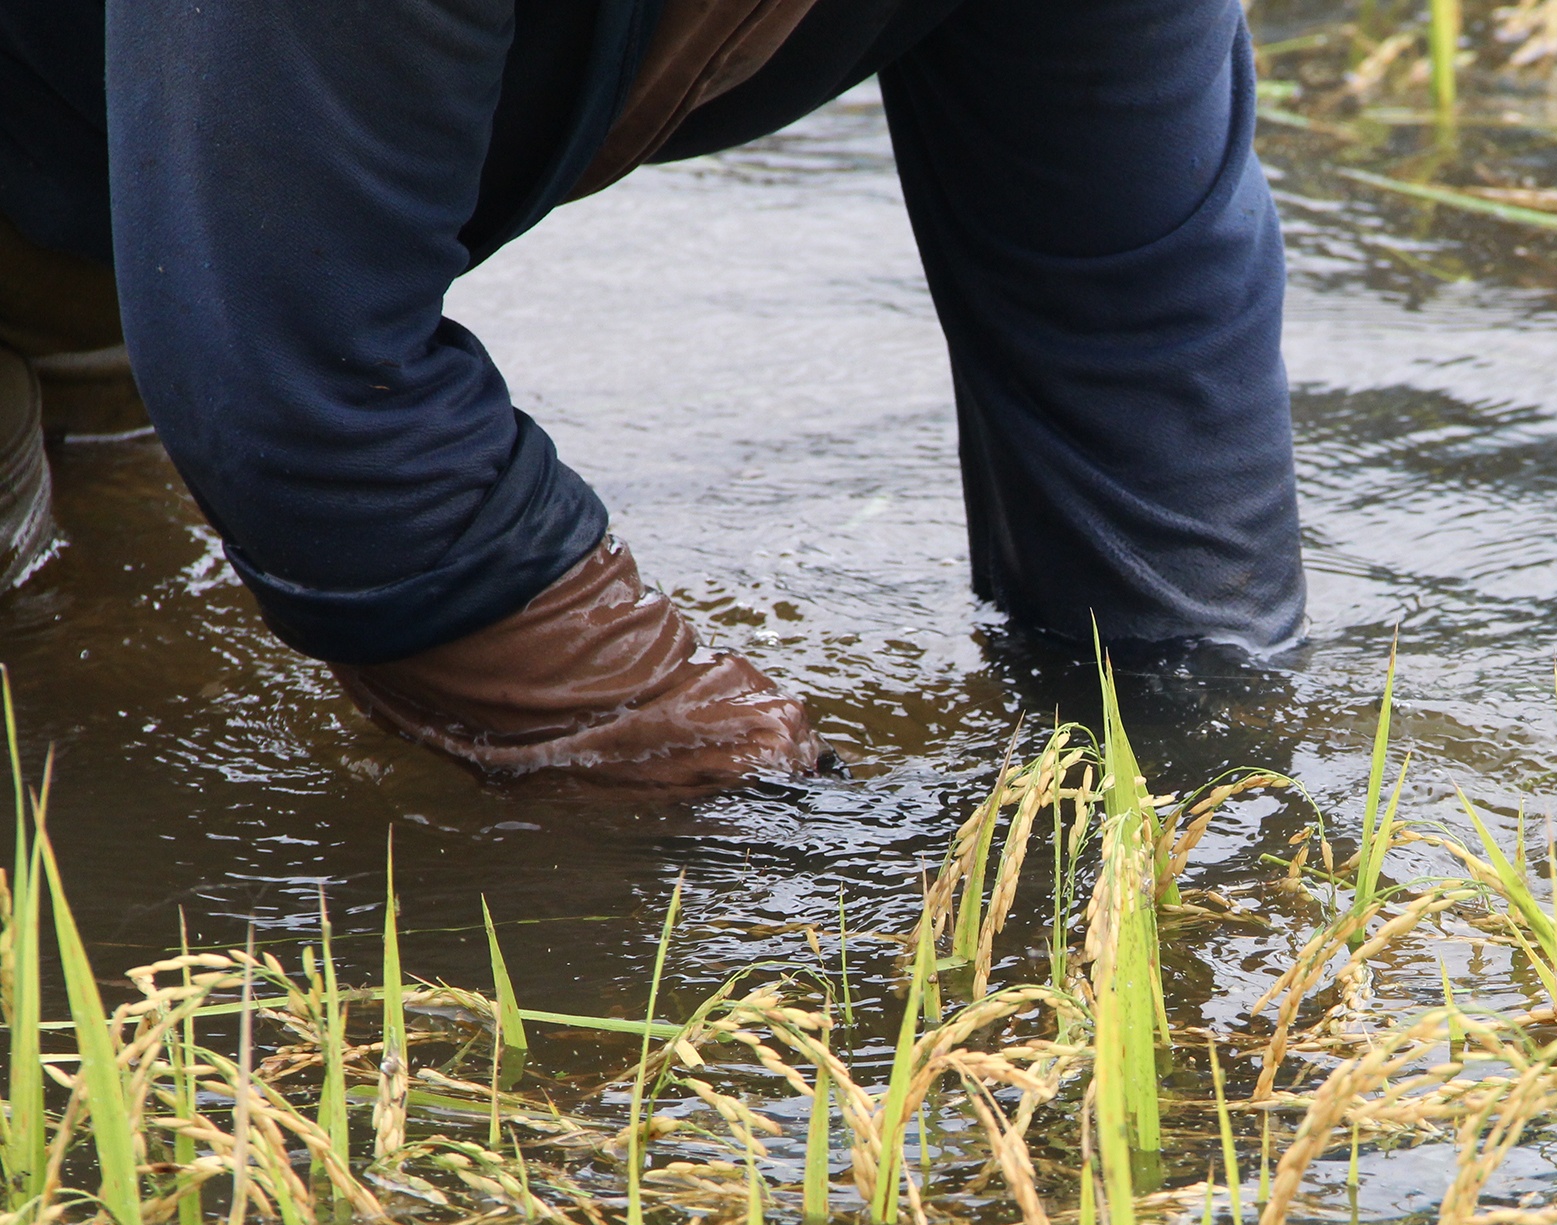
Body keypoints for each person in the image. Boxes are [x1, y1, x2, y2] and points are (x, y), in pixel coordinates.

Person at [0, 0, 1306, 787]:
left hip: (165, 182)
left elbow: (1138, 325)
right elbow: (311, 413)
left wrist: (1211, 782)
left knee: (108, 598)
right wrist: (752, 811)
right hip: (130, 182)